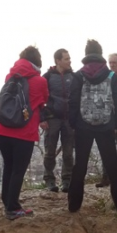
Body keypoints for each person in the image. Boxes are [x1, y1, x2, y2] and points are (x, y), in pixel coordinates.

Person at [67, 40, 117, 214]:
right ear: (101, 54)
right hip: (105, 125)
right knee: (112, 164)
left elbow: (72, 102)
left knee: (80, 165)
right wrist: (116, 123)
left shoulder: (79, 75)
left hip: (83, 125)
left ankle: (74, 204)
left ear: (86, 54)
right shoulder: (110, 76)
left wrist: (73, 123)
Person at [0, 46, 49, 220]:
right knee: (19, 169)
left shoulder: (11, 76)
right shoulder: (39, 81)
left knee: (8, 165)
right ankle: (13, 207)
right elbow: (43, 100)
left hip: (2, 129)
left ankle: (7, 201)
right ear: (38, 62)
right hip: (23, 132)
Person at [41, 48, 75, 192]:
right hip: (52, 118)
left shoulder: (73, 76)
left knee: (68, 153)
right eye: (66, 59)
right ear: (58, 61)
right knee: (50, 151)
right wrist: (42, 118)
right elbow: (40, 98)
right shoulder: (47, 77)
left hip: (69, 119)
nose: (69, 61)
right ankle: (49, 180)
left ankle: (67, 180)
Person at [95, 52, 117, 187]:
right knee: (107, 149)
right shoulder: (107, 78)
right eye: (110, 63)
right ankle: (106, 177)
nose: (112, 66)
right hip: (108, 118)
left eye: (114, 63)